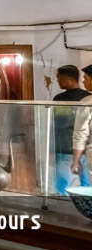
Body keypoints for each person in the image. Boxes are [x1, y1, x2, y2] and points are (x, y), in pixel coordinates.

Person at [52, 65, 90, 195]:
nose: (57, 81)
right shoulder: (86, 97)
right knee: (88, 186)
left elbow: (60, 123)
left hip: (66, 148)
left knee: (62, 187)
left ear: (67, 78)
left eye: (59, 78)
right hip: (86, 149)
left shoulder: (61, 99)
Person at [70, 65, 92, 186]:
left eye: (86, 78)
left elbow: (81, 133)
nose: (83, 81)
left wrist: (76, 160)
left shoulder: (87, 102)